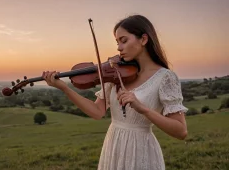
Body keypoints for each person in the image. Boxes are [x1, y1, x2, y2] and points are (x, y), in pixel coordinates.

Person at [41, 14, 188, 170]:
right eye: (117, 42)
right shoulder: (116, 73)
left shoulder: (165, 77)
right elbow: (97, 112)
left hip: (141, 150)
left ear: (144, 39)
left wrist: (143, 108)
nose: (119, 48)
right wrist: (64, 88)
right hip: (113, 145)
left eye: (124, 41)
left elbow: (181, 131)